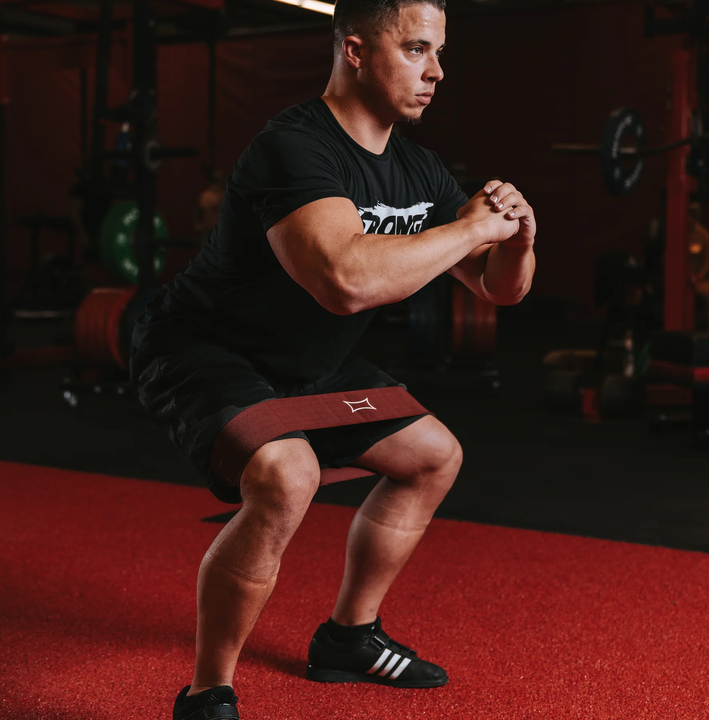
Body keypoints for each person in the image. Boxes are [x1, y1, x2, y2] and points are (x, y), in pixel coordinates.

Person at [129, 0, 536, 717]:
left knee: (433, 456)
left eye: (439, 53)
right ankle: (207, 692)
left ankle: (348, 638)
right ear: (354, 50)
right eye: (416, 49)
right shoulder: (295, 147)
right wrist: (472, 227)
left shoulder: (420, 170)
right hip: (208, 349)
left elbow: (497, 288)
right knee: (289, 475)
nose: (436, 72)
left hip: (311, 361)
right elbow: (344, 281)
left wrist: (518, 238)